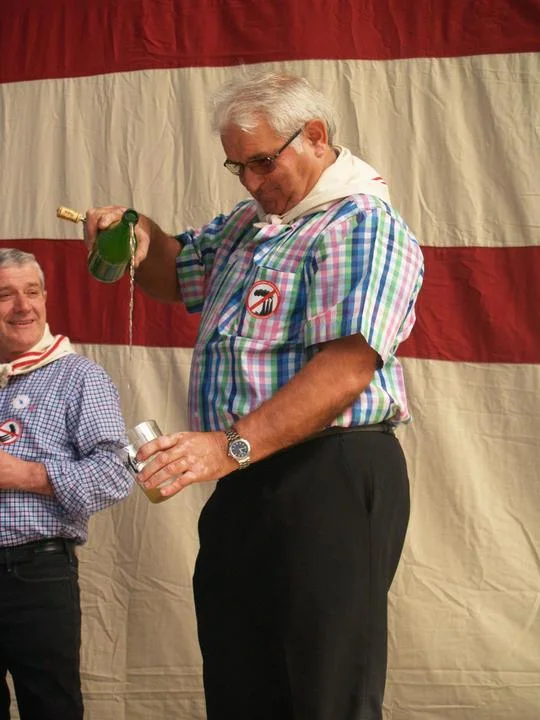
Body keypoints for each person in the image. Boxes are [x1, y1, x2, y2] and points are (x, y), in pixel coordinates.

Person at [86, 71, 424, 720]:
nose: (249, 181)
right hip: (244, 473)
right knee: (241, 681)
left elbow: (347, 367)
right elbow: (174, 271)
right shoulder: (251, 224)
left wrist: (230, 445)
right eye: (237, 166)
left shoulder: (359, 223)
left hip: (327, 472)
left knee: (323, 692)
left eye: (263, 161)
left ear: (316, 136)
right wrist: (137, 233)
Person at [0, 249, 133, 720]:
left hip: (36, 572)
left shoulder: (78, 377)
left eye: (32, 292)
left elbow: (116, 472)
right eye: (5, 295)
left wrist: (23, 474)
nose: (23, 306)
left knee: (51, 708)